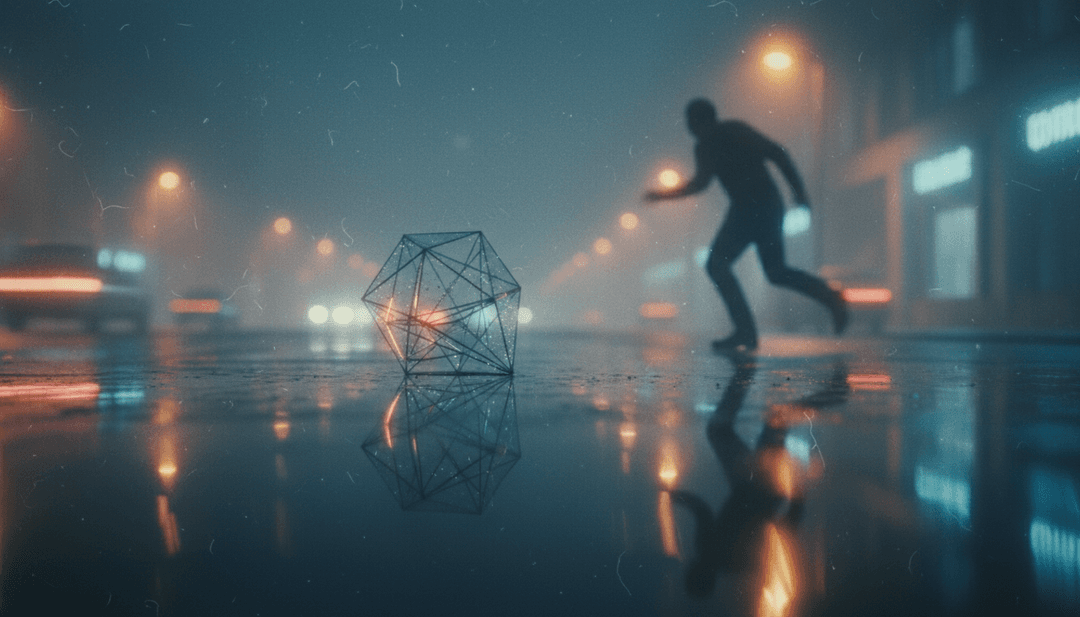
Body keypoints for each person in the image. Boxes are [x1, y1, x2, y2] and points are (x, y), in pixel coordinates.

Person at [645, 98, 847, 351]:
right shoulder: (719, 139)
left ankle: (746, 331)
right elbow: (776, 154)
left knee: (719, 265)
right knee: (774, 271)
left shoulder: (726, 136)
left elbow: (774, 154)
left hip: (752, 210)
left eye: (690, 122)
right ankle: (829, 298)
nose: (689, 128)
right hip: (762, 207)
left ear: (698, 121)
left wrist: (799, 190)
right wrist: (798, 191)